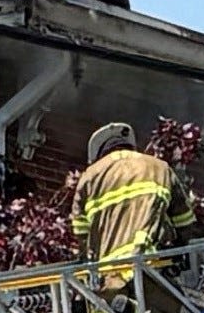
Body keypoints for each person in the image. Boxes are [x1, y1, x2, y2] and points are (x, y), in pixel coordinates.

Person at [65, 120, 186, 299]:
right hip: (150, 262)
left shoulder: (89, 177)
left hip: (112, 272)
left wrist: (87, 259)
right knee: (160, 311)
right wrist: (180, 250)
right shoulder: (159, 167)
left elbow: (80, 230)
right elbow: (184, 219)